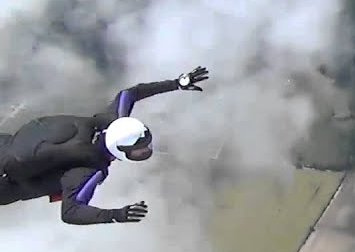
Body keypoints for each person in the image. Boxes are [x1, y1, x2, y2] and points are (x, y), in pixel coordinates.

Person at [0, 66, 209, 225]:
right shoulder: (87, 170)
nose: (145, 152)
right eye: (139, 152)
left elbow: (130, 94)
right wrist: (115, 215)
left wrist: (176, 83)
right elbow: (71, 213)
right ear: (121, 149)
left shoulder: (110, 121)